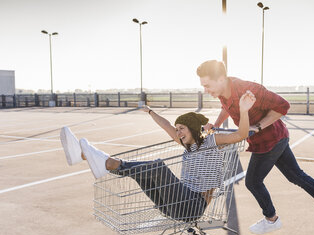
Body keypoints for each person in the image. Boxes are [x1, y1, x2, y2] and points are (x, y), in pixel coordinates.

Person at [197, 60, 314, 235]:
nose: (205, 90)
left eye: (207, 85)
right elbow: (226, 108)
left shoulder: (248, 90)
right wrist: (215, 125)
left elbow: (283, 106)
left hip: (271, 141)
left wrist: (258, 126)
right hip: (273, 139)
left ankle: (271, 219)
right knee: (296, 176)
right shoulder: (223, 92)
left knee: (253, 182)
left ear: (221, 79)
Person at [60, 91, 256, 222]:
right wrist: (151, 112)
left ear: (194, 129)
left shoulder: (212, 141)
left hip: (192, 207)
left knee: (158, 167)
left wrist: (244, 111)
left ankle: (108, 162)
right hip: (172, 204)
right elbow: (166, 126)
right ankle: (86, 157)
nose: (178, 132)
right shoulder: (186, 145)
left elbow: (241, 135)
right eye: (178, 129)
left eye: (182, 129)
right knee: (146, 172)